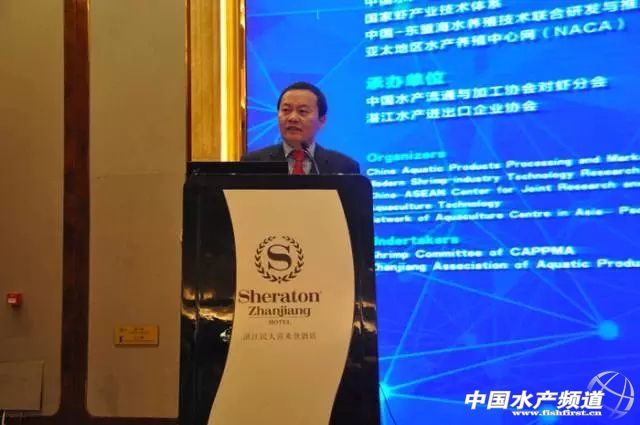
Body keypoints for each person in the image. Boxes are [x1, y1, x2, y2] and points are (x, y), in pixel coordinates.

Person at [241, 81, 360, 174]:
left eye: (302, 111)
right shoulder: (253, 163)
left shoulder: (344, 167)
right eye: (286, 110)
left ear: (322, 120)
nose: (292, 118)